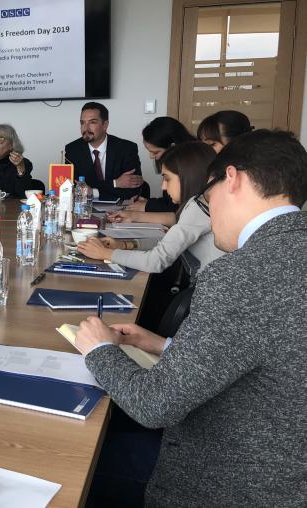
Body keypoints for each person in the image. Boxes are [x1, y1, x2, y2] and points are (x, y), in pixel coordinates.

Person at [74, 129, 307, 507]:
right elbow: (266, 357)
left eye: (209, 196)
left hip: (233, 480)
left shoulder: (240, 274)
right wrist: (166, 345)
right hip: (288, 464)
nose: (209, 213)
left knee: (77, 457)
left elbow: (155, 405)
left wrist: (99, 350)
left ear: (232, 179)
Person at [77, 141, 223, 275]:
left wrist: (105, 253)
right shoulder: (199, 203)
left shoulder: (197, 208)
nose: (163, 186)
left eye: (167, 178)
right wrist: (124, 245)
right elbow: (167, 242)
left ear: (189, 176)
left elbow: (156, 261)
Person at [64, 102, 144, 201]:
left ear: (105, 125)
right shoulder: (72, 150)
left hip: (120, 208)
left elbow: (132, 191)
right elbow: (72, 188)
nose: (86, 128)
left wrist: (92, 192)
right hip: (84, 208)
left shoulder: (126, 148)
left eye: (92, 122)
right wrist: (115, 183)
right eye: (82, 123)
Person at [125, 116, 196, 214]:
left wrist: (147, 206)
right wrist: (148, 202)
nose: (151, 156)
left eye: (156, 152)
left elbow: (175, 209)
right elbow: (169, 201)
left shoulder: (190, 166)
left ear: (173, 147)